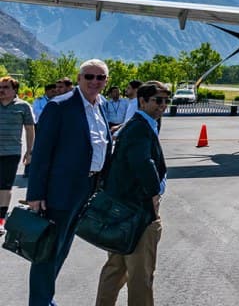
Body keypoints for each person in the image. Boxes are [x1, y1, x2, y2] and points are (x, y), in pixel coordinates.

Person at [27, 59, 112, 306]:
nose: (95, 82)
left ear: (106, 81)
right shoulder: (60, 107)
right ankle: (40, 302)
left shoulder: (101, 106)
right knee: (48, 250)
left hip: (87, 188)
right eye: (89, 76)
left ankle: (46, 297)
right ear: (79, 78)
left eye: (100, 78)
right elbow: (41, 154)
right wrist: (35, 193)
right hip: (59, 190)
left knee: (63, 247)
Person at [94, 81, 169, 306]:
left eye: (166, 101)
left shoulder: (138, 124)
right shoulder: (140, 126)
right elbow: (142, 162)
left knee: (115, 268)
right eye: (157, 100)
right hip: (138, 211)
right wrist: (154, 194)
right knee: (140, 274)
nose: (162, 106)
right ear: (142, 101)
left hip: (122, 210)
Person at [0, 76, 34, 235]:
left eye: (6, 87)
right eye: (0, 87)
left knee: (5, 187)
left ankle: (1, 220)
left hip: (11, 153)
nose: (2, 90)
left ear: (15, 90)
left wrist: (29, 151)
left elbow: (29, 129)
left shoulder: (23, 106)